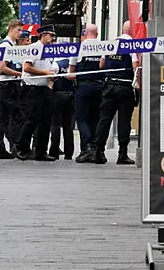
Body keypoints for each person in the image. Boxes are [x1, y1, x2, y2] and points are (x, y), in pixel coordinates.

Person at [92, 21, 138, 165]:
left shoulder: (111, 44)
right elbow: (135, 66)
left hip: (109, 85)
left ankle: (98, 151)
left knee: (104, 119)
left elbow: (101, 64)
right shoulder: (132, 45)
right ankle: (122, 154)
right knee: (124, 121)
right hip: (125, 87)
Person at [15, 24, 59, 161]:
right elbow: (27, 67)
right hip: (32, 89)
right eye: (51, 36)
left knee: (46, 121)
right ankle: (21, 148)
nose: (52, 39)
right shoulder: (34, 48)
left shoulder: (48, 51)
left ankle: (41, 151)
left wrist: (50, 75)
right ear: (44, 35)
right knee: (31, 120)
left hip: (45, 88)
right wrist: (44, 73)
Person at [68, 24, 104, 163]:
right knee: (95, 118)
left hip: (83, 87)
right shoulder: (104, 47)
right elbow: (103, 65)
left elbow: (71, 73)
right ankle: (95, 149)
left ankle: (87, 147)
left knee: (82, 118)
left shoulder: (78, 48)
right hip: (99, 86)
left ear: (85, 34)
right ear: (97, 33)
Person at [0, 20, 24, 159]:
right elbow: (2, 66)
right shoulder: (6, 45)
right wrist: (20, 74)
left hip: (6, 84)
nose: (20, 33)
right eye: (18, 30)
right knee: (16, 115)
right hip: (8, 85)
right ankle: (14, 146)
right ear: (11, 29)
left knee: (3, 117)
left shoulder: (11, 45)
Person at [49, 57, 75, 160]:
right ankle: (69, 153)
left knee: (55, 124)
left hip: (57, 95)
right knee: (68, 126)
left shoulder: (56, 63)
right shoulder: (71, 63)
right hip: (70, 95)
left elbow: (51, 78)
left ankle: (54, 151)